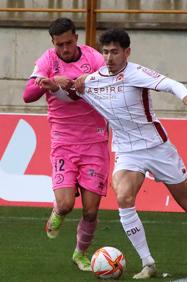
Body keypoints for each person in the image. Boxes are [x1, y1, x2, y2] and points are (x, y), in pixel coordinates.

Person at [39, 28, 187, 279]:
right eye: (105, 52)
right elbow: (71, 97)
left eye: (115, 52)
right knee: (123, 197)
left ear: (127, 52)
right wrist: (53, 87)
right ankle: (148, 263)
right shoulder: (93, 80)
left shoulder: (136, 73)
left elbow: (170, 84)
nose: (109, 57)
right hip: (126, 152)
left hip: (157, 148)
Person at [22, 17, 109, 272]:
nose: (65, 49)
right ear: (53, 43)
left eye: (69, 43)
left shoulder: (93, 59)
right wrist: (49, 83)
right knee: (66, 204)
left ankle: (80, 254)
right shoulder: (47, 61)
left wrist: (89, 80)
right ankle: (57, 212)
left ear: (77, 39)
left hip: (95, 141)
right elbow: (27, 95)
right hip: (63, 142)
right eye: (59, 45)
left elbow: (112, 83)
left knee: (91, 211)